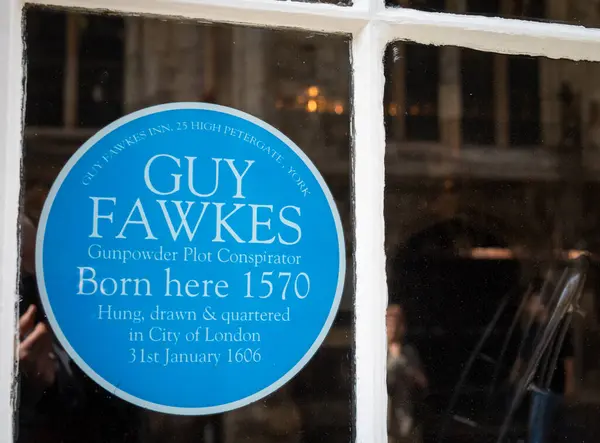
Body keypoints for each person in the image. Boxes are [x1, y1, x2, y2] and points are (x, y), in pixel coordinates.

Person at [509, 280, 575, 443]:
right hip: (540, 387)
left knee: (542, 429)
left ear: (542, 301)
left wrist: (570, 385)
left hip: (552, 386)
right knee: (541, 428)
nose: (527, 306)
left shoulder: (557, 327)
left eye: (532, 301)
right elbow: (524, 355)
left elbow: (568, 358)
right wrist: (516, 375)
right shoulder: (534, 328)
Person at [386, 303, 428, 443]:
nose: (393, 328)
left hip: (407, 424)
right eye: (389, 324)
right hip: (387, 426)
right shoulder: (377, 355)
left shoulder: (409, 352)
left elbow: (422, 383)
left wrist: (405, 366)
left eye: (396, 324)